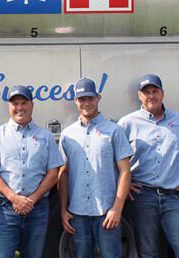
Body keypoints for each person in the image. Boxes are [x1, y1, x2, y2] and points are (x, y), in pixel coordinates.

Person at [117, 74, 179, 258]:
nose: (151, 96)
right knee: (148, 253)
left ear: (162, 94)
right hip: (142, 197)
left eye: (155, 91)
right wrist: (123, 183)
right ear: (140, 96)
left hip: (173, 198)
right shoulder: (128, 123)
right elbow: (113, 156)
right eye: (146, 92)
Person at [0, 85, 64, 258]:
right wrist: (14, 198)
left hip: (37, 208)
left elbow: (53, 173)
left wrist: (31, 199)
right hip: (5, 208)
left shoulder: (45, 136)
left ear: (32, 105)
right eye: (15, 103)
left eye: (24, 103)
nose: (19, 107)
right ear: (9, 107)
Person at [58, 77, 133, 258]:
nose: (86, 103)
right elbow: (64, 173)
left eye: (90, 98)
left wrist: (117, 208)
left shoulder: (114, 131)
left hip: (106, 213)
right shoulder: (68, 135)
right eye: (82, 99)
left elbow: (125, 170)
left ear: (98, 98)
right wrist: (63, 210)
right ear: (76, 101)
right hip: (78, 213)